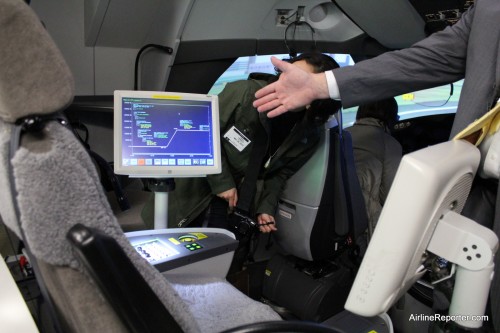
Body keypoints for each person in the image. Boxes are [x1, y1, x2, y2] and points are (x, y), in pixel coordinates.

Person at [253, 2, 500, 331]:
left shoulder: (342, 137)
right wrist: (323, 84)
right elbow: (431, 58)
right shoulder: (489, 11)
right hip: (478, 187)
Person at [142, 52, 342, 237]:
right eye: (287, 71)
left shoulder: (308, 133)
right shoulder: (244, 93)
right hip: (197, 190)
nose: (286, 78)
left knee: (216, 253)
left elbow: (280, 173)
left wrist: (265, 207)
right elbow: (199, 133)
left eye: (299, 78)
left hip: (240, 201)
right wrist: (222, 182)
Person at [346, 98, 402, 237]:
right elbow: (389, 196)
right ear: (390, 118)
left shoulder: (342, 134)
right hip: (364, 221)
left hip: (336, 212)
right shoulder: (389, 143)